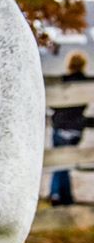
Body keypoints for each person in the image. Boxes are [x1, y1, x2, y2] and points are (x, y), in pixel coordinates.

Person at [49, 51, 90, 206]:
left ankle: (56, 193)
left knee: (59, 163)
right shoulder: (86, 84)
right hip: (76, 130)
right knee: (65, 163)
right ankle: (66, 196)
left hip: (60, 128)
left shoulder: (63, 82)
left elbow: (53, 103)